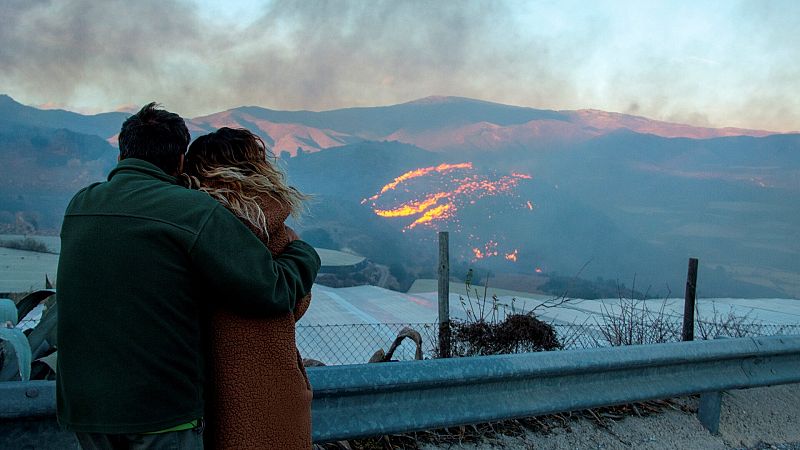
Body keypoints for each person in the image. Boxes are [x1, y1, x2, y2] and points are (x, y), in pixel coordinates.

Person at [56, 104, 321, 449]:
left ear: (123, 151)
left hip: (85, 407)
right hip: (161, 409)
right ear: (180, 160)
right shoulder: (191, 211)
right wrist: (305, 253)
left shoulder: (80, 204)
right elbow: (271, 290)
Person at [183, 127, 314, 449]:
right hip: (272, 383)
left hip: (197, 382)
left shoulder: (187, 224)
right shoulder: (278, 230)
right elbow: (296, 303)